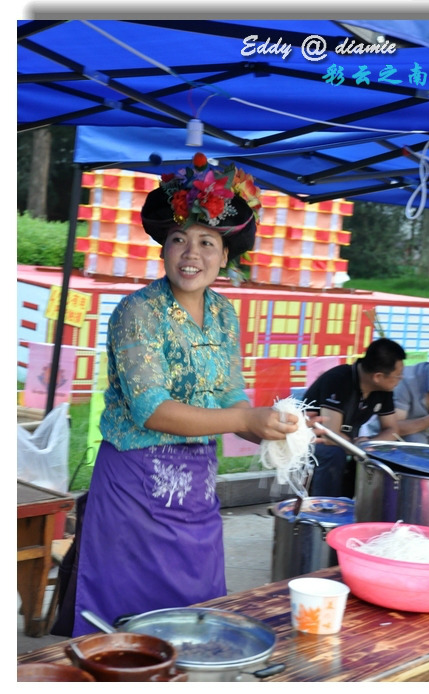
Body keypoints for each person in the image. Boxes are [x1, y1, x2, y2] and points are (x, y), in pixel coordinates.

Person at [70, 154, 307, 637]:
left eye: (206, 242)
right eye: (179, 239)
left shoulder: (224, 315)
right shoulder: (137, 312)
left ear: (225, 255)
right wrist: (244, 421)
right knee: (129, 632)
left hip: (197, 489)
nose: (190, 253)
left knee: (198, 622)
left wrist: (274, 423)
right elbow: (152, 409)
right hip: (133, 491)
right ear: (163, 249)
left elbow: (230, 394)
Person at [302, 338, 406, 498]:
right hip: (310, 441)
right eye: (398, 376)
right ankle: (326, 507)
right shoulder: (338, 379)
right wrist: (359, 447)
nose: (400, 379)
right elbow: (329, 435)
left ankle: (357, 506)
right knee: (334, 453)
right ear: (378, 376)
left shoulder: (384, 389)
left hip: (346, 443)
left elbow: (392, 430)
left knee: (383, 453)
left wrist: (369, 445)